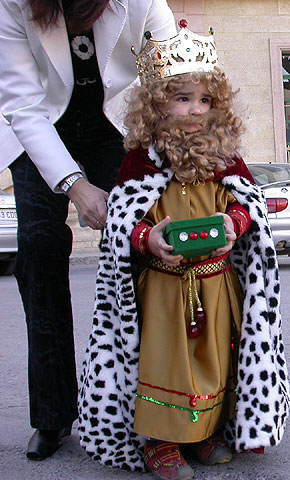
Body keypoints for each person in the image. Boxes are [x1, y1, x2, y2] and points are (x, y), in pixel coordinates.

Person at [76, 23, 290, 477]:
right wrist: (146, 238)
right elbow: (121, 222)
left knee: (215, 356)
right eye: (183, 98)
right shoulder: (141, 160)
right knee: (166, 359)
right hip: (163, 285)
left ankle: (207, 431)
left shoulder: (226, 155)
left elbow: (248, 205)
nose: (195, 110)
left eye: (205, 100)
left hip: (216, 283)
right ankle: (162, 440)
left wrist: (234, 224)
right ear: (156, 104)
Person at [0, 0, 176, 461]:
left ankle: (146, 405)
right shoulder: (14, 5)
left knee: (139, 252)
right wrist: (76, 188)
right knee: (38, 251)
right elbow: (22, 105)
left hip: (118, 125)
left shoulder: (142, 1)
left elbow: (172, 81)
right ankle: (52, 415)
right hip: (41, 124)